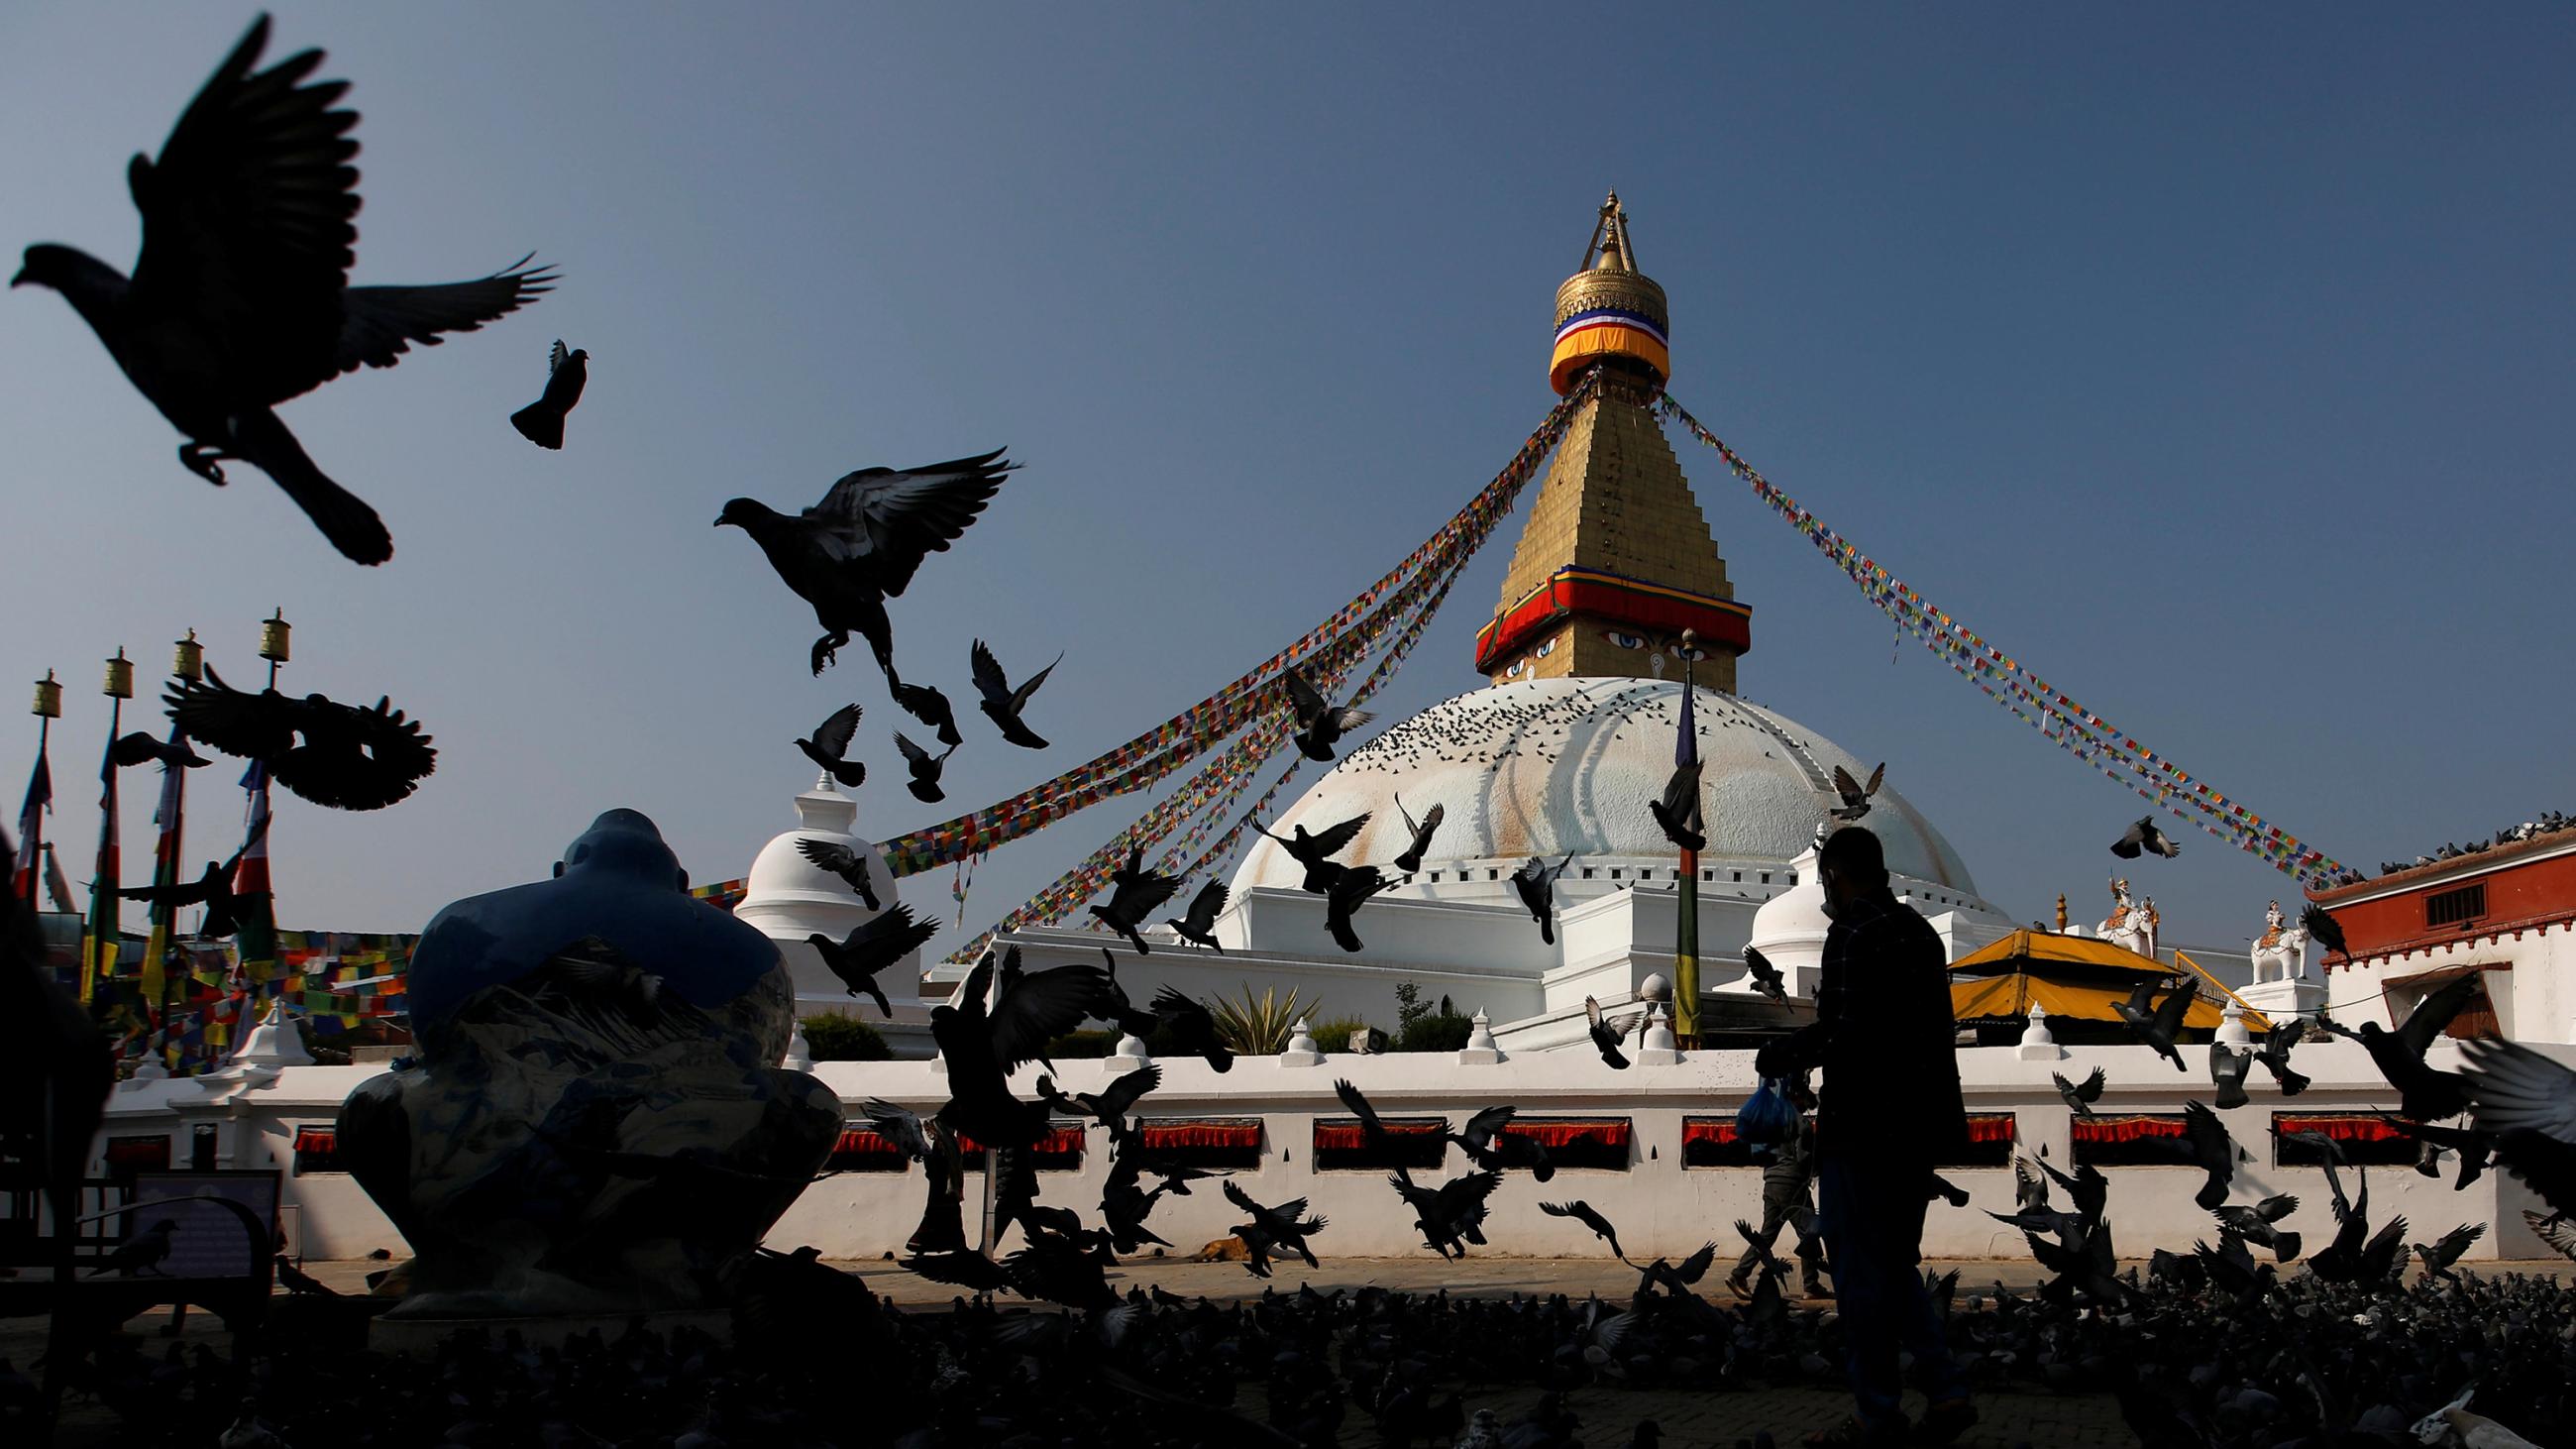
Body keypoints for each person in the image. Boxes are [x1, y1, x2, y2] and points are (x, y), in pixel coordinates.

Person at [1756, 825, 1975, 1447]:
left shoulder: (1853, 930)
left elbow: (1845, 1028)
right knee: (1893, 1263)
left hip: (1865, 1126)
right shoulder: (1921, 933)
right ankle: (1946, 1387)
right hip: (1921, 1123)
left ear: (1835, 876)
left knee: (1855, 1272)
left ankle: (1877, 1413)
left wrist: (1786, 1050)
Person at [1724, 1074, 1829, 1299]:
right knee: (1809, 1232)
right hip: (1792, 1183)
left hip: (1771, 1181)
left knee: (1767, 1234)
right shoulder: (1801, 1123)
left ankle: (1739, 1274)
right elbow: (1804, 1158)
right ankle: (1811, 1285)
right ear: (1797, 1096)